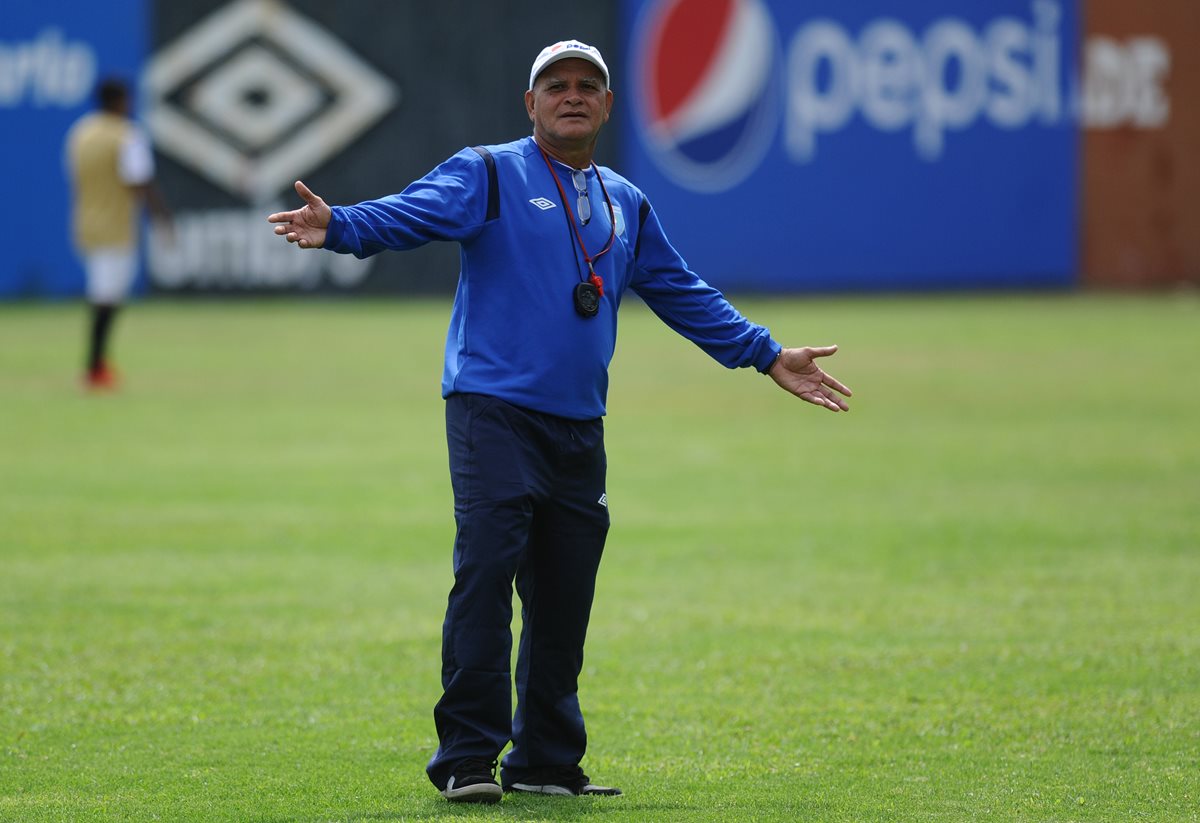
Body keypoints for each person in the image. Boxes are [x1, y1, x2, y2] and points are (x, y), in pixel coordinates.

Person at [267, 39, 851, 804]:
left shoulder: (625, 201)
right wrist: (341, 224)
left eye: (587, 85)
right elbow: (412, 213)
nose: (571, 94)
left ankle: (544, 760)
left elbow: (681, 291)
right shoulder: (488, 172)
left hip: (579, 426)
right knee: (486, 576)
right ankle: (467, 757)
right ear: (530, 103)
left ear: (606, 105)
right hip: (493, 411)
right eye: (555, 84)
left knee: (564, 594)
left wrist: (766, 353)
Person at [65, 77, 169, 390]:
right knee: (106, 297)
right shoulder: (127, 135)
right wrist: (162, 218)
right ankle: (94, 367)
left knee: (103, 294)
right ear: (120, 101)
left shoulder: (80, 133)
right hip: (115, 226)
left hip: (85, 224)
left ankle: (97, 364)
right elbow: (140, 181)